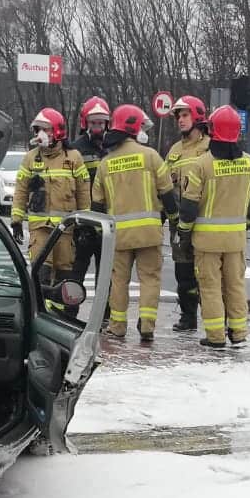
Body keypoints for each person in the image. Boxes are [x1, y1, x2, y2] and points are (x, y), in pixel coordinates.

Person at [175, 105, 250, 349]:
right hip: (236, 241)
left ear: (214, 131)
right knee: (235, 285)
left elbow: (189, 206)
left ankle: (215, 336)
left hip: (206, 242)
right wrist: (245, 225)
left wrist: (183, 232)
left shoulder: (202, 164)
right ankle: (238, 333)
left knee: (211, 287)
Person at [91, 104, 177, 343]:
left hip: (119, 235)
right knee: (150, 278)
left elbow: (97, 205)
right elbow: (168, 194)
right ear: (134, 129)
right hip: (149, 233)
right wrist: (176, 220)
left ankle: (117, 326)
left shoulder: (105, 164)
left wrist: (98, 233)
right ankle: (147, 325)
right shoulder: (151, 156)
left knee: (119, 280)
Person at [10, 108, 91, 303]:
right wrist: (16, 220)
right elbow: (21, 190)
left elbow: (83, 192)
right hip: (40, 229)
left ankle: (59, 316)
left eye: (44, 130)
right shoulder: (30, 158)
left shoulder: (73, 158)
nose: (40, 135)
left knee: (64, 274)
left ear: (57, 131)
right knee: (40, 272)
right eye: (37, 130)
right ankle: (39, 311)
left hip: (66, 229)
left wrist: (85, 224)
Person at [161, 95, 211, 332]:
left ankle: (214, 320)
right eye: (178, 116)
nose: (180, 120)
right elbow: (164, 185)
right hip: (179, 224)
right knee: (183, 273)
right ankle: (188, 316)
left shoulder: (210, 147)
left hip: (203, 223)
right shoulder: (174, 150)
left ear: (197, 116)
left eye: (185, 115)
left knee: (208, 274)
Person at [68, 97, 112, 283]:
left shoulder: (113, 147)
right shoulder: (76, 149)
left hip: (108, 221)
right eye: (94, 123)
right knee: (76, 271)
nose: (97, 127)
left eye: (101, 123)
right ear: (85, 123)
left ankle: (105, 312)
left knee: (105, 276)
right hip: (84, 222)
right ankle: (69, 311)